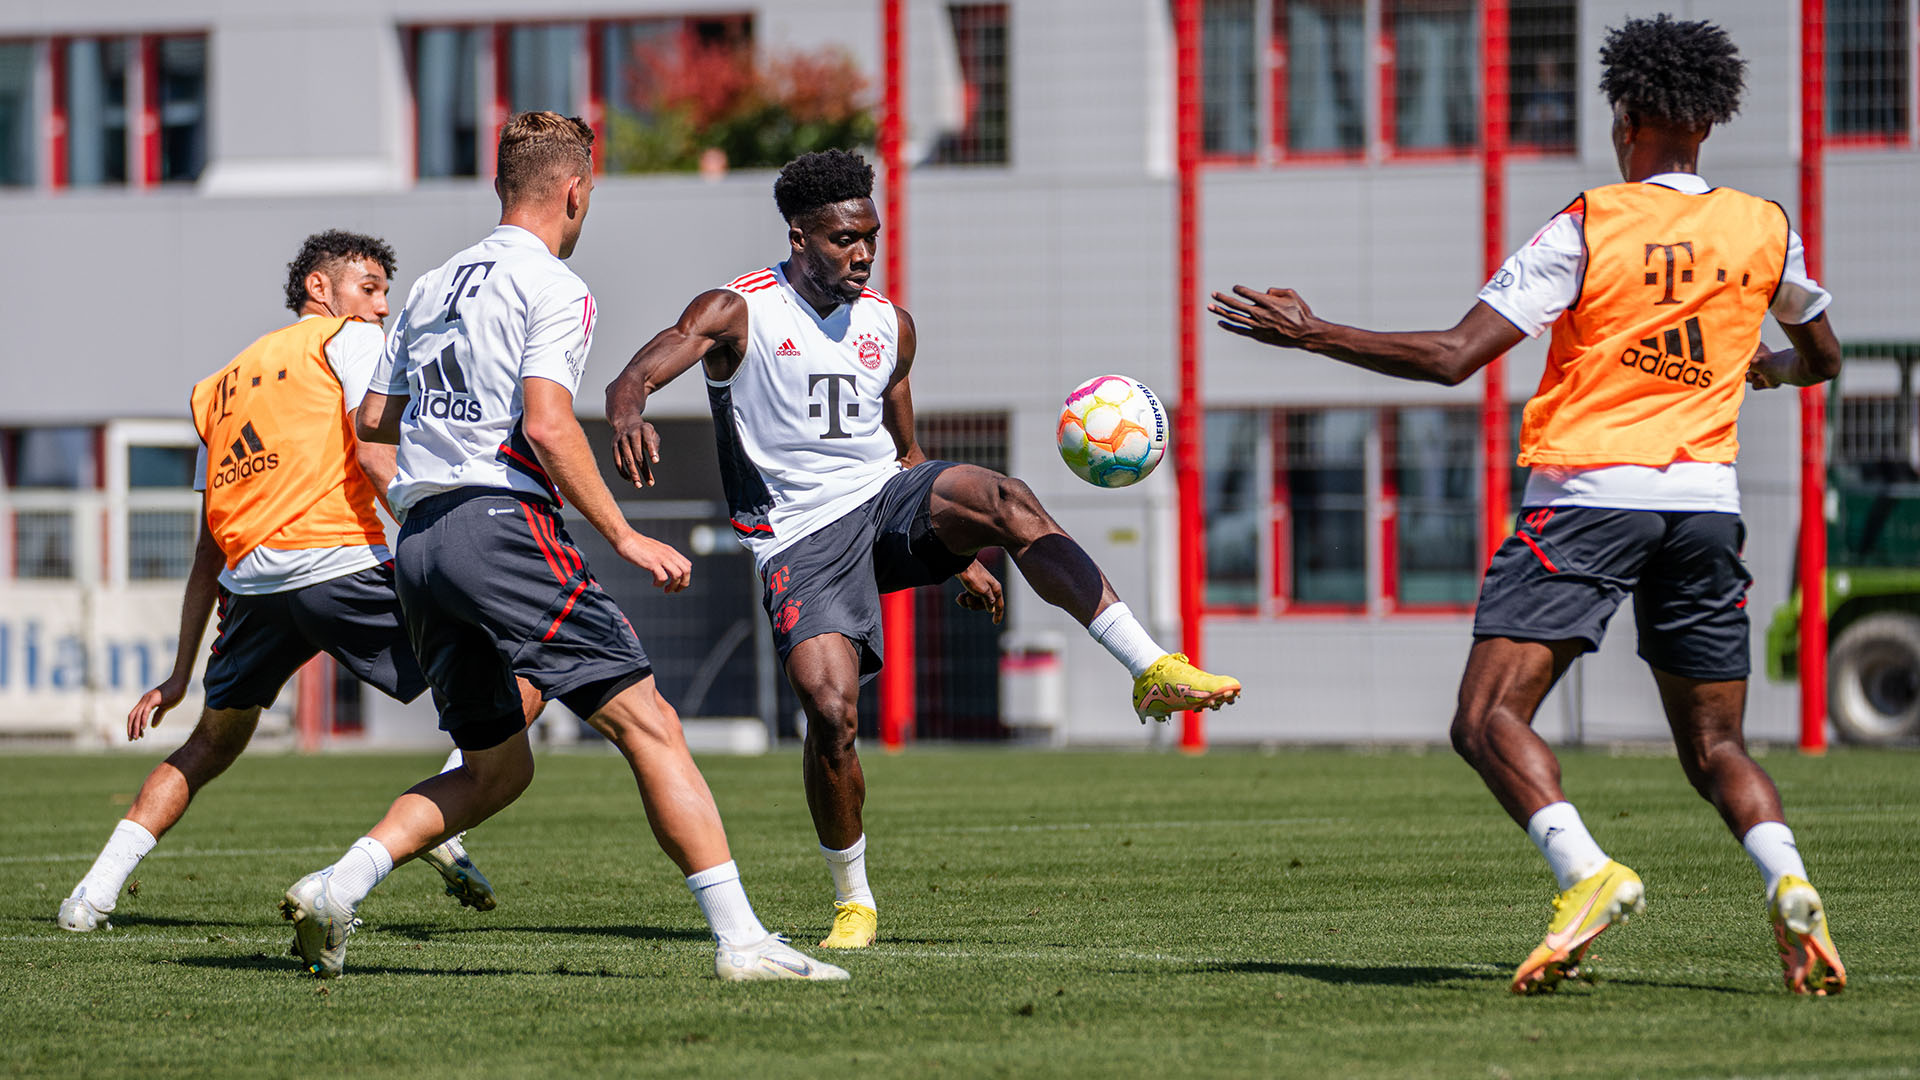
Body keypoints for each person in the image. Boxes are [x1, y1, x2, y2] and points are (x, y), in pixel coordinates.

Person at [1209, 15, 1847, 996]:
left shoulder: (1592, 222)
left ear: (1625, 115)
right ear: (1708, 126)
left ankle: (1587, 872)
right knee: (1718, 745)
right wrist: (1766, 368)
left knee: (1483, 717)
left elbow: (1454, 357)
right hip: (1708, 508)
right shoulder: (1766, 228)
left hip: (1592, 496)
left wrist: (1314, 332)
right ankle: (1791, 883)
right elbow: (1825, 355)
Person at [604, 149, 1243, 952]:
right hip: (797, 537)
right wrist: (628, 406)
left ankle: (1152, 666)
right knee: (831, 713)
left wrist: (961, 551)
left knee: (1006, 499)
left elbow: (907, 455)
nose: (863, 252)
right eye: (844, 239)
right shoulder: (740, 310)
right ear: (800, 235)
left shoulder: (890, 326)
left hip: (882, 498)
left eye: (871, 235)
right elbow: (644, 367)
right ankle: (853, 899)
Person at [282, 112, 845, 983]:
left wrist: (424, 498)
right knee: (649, 723)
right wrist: (623, 534)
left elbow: (371, 423)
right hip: (499, 527)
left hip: (423, 543)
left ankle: (337, 884)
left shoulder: (428, 286)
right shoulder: (553, 286)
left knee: (498, 768)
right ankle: (743, 942)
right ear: (575, 191)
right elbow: (547, 425)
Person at [58, 231, 494, 934]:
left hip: (254, 589)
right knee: (510, 669)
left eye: (385, 293)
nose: (382, 307)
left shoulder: (219, 386)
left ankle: (90, 897)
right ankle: (443, 818)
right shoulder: (347, 342)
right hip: (338, 567)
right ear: (320, 288)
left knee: (209, 743)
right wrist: (433, 538)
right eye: (370, 288)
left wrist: (179, 674)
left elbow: (209, 544)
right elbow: (372, 447)